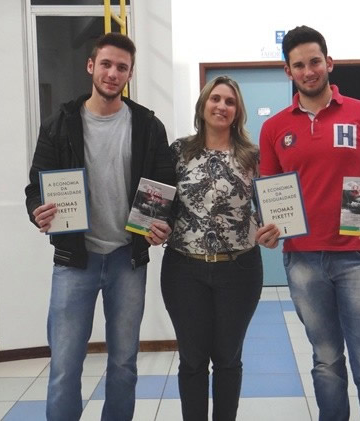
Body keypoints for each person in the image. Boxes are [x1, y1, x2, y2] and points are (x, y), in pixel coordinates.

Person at [25, 33, 175, 421]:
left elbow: (165, 187)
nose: (112, 73)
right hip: (75, 260)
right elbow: (36, 187)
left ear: (130, 74)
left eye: (121, 67)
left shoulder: (148, 126)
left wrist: (164, 224)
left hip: (128, 259)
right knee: (64, 367)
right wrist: (38, 210)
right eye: (106, 64)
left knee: (124, 364)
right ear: (91, 66)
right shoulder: (59, 124)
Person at [256, 26, 360, 421]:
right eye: (299, 65)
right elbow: (270, 195)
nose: (308, 71)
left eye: (315, 62)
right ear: (288, 71)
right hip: (302, 260)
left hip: (358, 256)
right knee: (326, 361)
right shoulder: (274, 128)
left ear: (329, 63)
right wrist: (268, 229)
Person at [161, 76, 266, 421]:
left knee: (228, 359)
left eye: (230, 102)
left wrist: (275, 229)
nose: (222, 106)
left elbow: (270, 208)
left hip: (239, 270)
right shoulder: (179, 152)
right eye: (215, 99)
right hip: (183, 270)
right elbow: (162, 204)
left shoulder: (253, 156)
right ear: (203, 105)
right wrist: (153, 226)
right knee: (192, 360)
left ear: (238, 112)